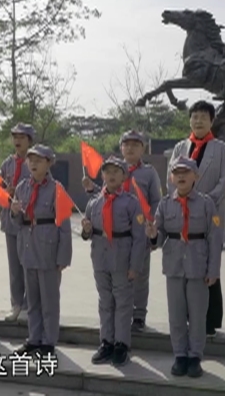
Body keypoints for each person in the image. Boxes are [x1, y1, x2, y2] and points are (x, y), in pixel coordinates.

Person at [146, 156, 222, 378]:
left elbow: (214, 238)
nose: (181, 176)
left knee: (198, 315)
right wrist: (153, 235)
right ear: (171, 178)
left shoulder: (207, 203)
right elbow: (159, 237)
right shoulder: (165, 204)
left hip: (198, 265)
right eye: (176, 173)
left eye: (185, 172)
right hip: (174, 264)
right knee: (176, 314)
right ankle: (180, 355)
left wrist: (213, 270)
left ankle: (195, 356)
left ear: (195, 176)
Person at [83, 130, 163, 331]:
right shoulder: (113, 170)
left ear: (143, 149)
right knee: (116, 278)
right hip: (116, 236)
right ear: (121, 148)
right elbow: (106, 196)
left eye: (135, 145)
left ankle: (139, 315)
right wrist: (92, 189)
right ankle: (118, 317)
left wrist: (153, 228)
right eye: (126, 145)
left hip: (139, 232)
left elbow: (156, 201)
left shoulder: (149, 173)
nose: (130, 148)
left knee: (139, 275)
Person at [167, 100, 225, 337]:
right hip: (183, 216)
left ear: (212, 121)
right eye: (194, 117)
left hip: (210, 216)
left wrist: (202, 204)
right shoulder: (180, 148)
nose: (198, 121)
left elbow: (224, 182)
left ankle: (209, 320)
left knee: (209, 266)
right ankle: (187, 317)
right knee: (186, 267)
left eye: (204, 117)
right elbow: (170, 180)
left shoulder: (221, 148)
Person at [81, 156, 147, 366]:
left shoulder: (131, 203)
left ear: (124, 176)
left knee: (123, 302)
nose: (111, 175)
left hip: (122, 258)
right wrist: (86, 230)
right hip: (100, 258)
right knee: (105, 301)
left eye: (116, 172)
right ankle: (106, 341)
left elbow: (139, 238)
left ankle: (121, 344)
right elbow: (87, 234)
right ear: (102, 175)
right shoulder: (94, 203)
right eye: (107, 171)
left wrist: (135, 266)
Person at [10, 144, 72, 357]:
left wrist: (63, 256)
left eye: (39, 160)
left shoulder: (57, 189)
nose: (33, 164)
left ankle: (48, 341)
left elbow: (64, 225)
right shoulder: (22, 187)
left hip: (48, 250)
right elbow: (19, 222)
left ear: (49, 163)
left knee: (49, 300)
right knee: (32, 300)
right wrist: (14, 212)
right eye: (31, 160)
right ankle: (34, 338)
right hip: (28, 248)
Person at [0, 123, 35, 322]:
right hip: (10, 221)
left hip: (29, 223)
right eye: (15, 137)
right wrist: (6, 192)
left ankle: (29, 305)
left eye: (22, 137)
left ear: (29, 140)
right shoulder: (7, 164)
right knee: (14, 266)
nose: (17, 141)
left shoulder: (35, 161)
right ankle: (16, 304)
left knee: (28, 265)